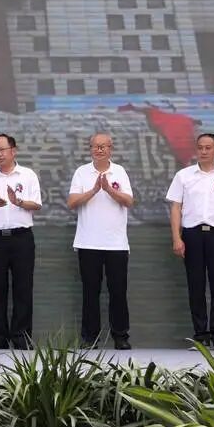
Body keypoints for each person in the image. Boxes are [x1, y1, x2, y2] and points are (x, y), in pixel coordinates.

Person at [166, 133, 214, 351]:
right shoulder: (184, 176)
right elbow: (175, 207)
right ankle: (200, 336)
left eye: (208, 147)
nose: (204, 151)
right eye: (200, 147)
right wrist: (176, 237)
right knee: (196, 286)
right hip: (192, 235)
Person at [0, 133, 42, 350]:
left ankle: (22, 337)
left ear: (13, 150)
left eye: (2, 149)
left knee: (23, 288)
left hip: (21, 239)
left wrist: (17, 202)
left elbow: (37, 204)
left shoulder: (28, 175)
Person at [66, 133, 133, 350]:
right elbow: (72, 202)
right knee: (90, 292)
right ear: (90, 149)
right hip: (88, 243)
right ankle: (89, 338)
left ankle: (120, 336)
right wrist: (94, 190)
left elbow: (129, 201)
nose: (99, 150)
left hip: (116, 244)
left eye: (103, 146)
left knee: (118, 292)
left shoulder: (119, 171)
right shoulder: (81, 172)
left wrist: (109, 190)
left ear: (110, 149)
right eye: (95, 146)